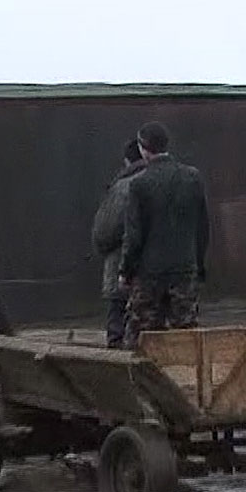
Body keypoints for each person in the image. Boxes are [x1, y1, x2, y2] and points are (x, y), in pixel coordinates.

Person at [114, 121, 211, 350]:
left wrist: (125, 272)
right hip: (185, 271)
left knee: (141, 340)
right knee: (187, 339)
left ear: (143, 148)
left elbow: (134, 236)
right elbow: (202, 228)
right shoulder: (192, 178)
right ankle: (186, 383)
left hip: (149, 274)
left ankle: (144, 384)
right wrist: (198, 265)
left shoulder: (139, 184)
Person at [90, 140, 149, 348]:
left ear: (127, 160)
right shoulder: (168, 180)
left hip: (123, 273)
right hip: (161, 274)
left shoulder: (124, 187)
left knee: (118, 333)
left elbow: (104, 233)